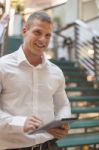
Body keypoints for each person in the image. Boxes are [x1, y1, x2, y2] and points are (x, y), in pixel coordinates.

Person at [0, 11, 71, 150]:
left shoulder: (56, 72)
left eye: (48, 35)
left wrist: (61, 122)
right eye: (37, 32)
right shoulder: (2, 66)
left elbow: (63, 105)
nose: (43, 40)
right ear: (25, 31)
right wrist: (20, 123)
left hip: (49, 146)